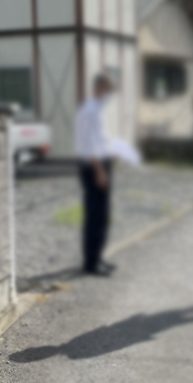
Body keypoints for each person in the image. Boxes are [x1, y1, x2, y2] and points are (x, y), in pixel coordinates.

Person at [75, 73, 117, 276]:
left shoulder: (98, 109)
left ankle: (98, 256)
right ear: (99, 87)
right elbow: (90, 145)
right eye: (108, 89)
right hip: (94, 167)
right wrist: (100, 172)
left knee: (102, 214)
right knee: (95, 214)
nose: (110, 93)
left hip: (101, 164)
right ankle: (91, 263)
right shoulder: (90, 111)